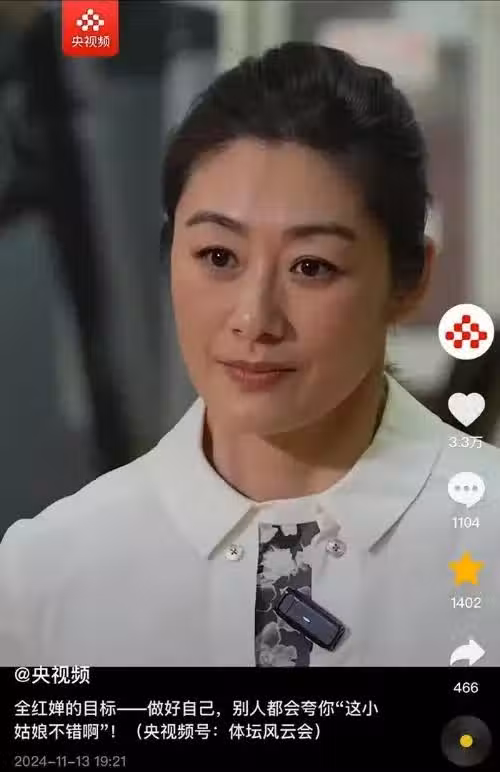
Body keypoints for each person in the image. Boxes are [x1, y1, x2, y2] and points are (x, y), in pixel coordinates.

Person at [0, 41, 498, 667]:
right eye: (218, 257)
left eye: (311, 266)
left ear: (411, 280)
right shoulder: (45, 576)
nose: (254, 320)